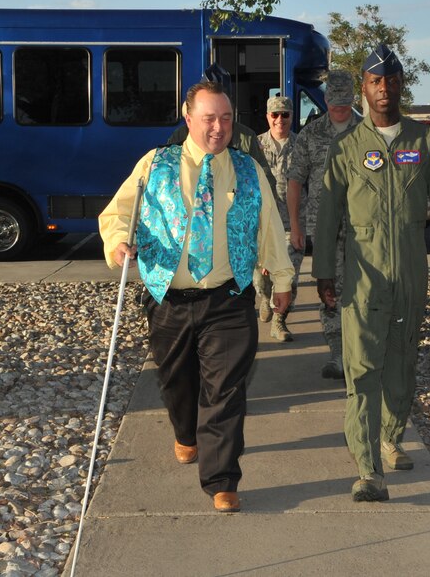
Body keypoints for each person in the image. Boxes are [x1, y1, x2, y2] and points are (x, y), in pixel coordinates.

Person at [99, 81, 293, 513]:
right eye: (209, 119)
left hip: (228, 297)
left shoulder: (247, 168)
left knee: (225, 390)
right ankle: (186, 433)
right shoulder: (155, 164)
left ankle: (222, 478)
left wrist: (282, 279)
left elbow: (268, 227)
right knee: (177, 382)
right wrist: (117, 244)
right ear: (188, 120)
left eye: (225, 118)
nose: (219, 128)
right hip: (168, 296)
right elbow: (116, 212)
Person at [312, 44, 430, 502]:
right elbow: (328, 216)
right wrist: (324, 271)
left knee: (401, 362)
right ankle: (368, 471)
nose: (384, 89)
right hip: (362, 277)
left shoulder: (423, 142)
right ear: (363, 88)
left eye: (392, 81)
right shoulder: (347, 148)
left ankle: (391, 437)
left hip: (409, 274)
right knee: (362, 370)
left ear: (402, 85)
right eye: (375, 81)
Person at [286, 70, 361, 378]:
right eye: (335, 103)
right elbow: (295, 181)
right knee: (330, 289)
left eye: (345, 104)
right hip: (324, 227)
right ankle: (338, 355)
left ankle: (362, 352)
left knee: (362, 291)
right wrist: (296, 224)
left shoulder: (368, 131)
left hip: (363, 227)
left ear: (353, 100)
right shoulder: (311, 134)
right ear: (327, 100)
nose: (339, 109)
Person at [167, 63, 273, 186]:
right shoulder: (180, 136)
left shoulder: (247, 137)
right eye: (208, 118)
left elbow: (265, 180)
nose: (217, 127)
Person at [254, 95, 302, 341]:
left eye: (285, 114)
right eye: (275, 114)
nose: (280, 120)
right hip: (261, 225)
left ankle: (279, 322)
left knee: (288, 276)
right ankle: (264, 297)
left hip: (292, 223)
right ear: (267, 117)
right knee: (262, 279)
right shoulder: (255, 145)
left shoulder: (303, 145)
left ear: (292, 117)